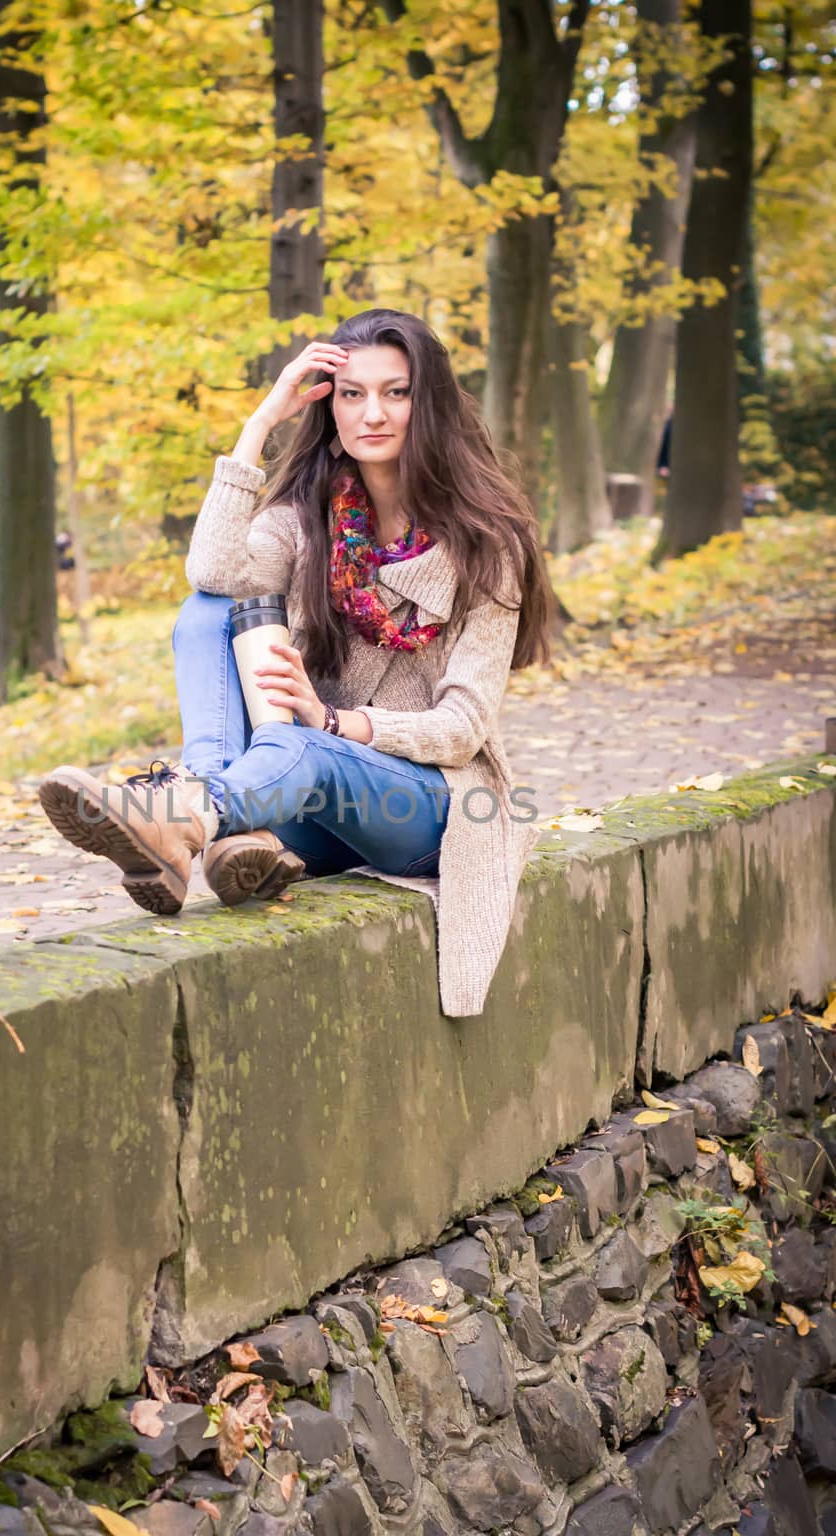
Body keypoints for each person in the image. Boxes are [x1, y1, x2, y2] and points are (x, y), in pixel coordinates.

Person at [38, 309, 554, 1018]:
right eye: (351, 393)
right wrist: (261, 423)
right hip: (314, 786)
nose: (372, 413)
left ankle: (183, 819)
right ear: (326, 405)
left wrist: (336, 721)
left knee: (303, 748)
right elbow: (212, 572)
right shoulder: (308, 520)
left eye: (396, 392)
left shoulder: (490, 544)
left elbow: (463, 729)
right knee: (208, 611)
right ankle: (215, 819)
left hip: (434, 806)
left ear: (427, 402)